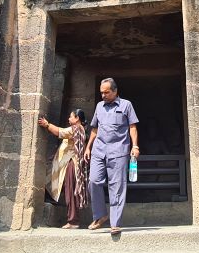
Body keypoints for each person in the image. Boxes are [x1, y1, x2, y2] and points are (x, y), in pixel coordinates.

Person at [83, 78, 139, 235]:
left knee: (117, 186)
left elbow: (132, 127)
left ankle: (115, 223)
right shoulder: (99, 106)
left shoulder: (126, 105)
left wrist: (135, 146)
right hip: (99, 150)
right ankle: (100, 215)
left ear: (115, 91)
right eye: (101, 92)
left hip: (118, 151)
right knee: (93, 181)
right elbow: (94, 128)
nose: (103, 95)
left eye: (106, 92)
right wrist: (88, 148)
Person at [38, 109, 89, 229]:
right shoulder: (80, 129)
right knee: (67, 190)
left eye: (71, 117)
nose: (69, 119)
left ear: (77, 118)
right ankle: (70, 218)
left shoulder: (76, 128)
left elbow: (59, 132)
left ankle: (73, 221)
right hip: (70, 163)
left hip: (71, 164)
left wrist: (47, 124)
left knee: (71, 192)